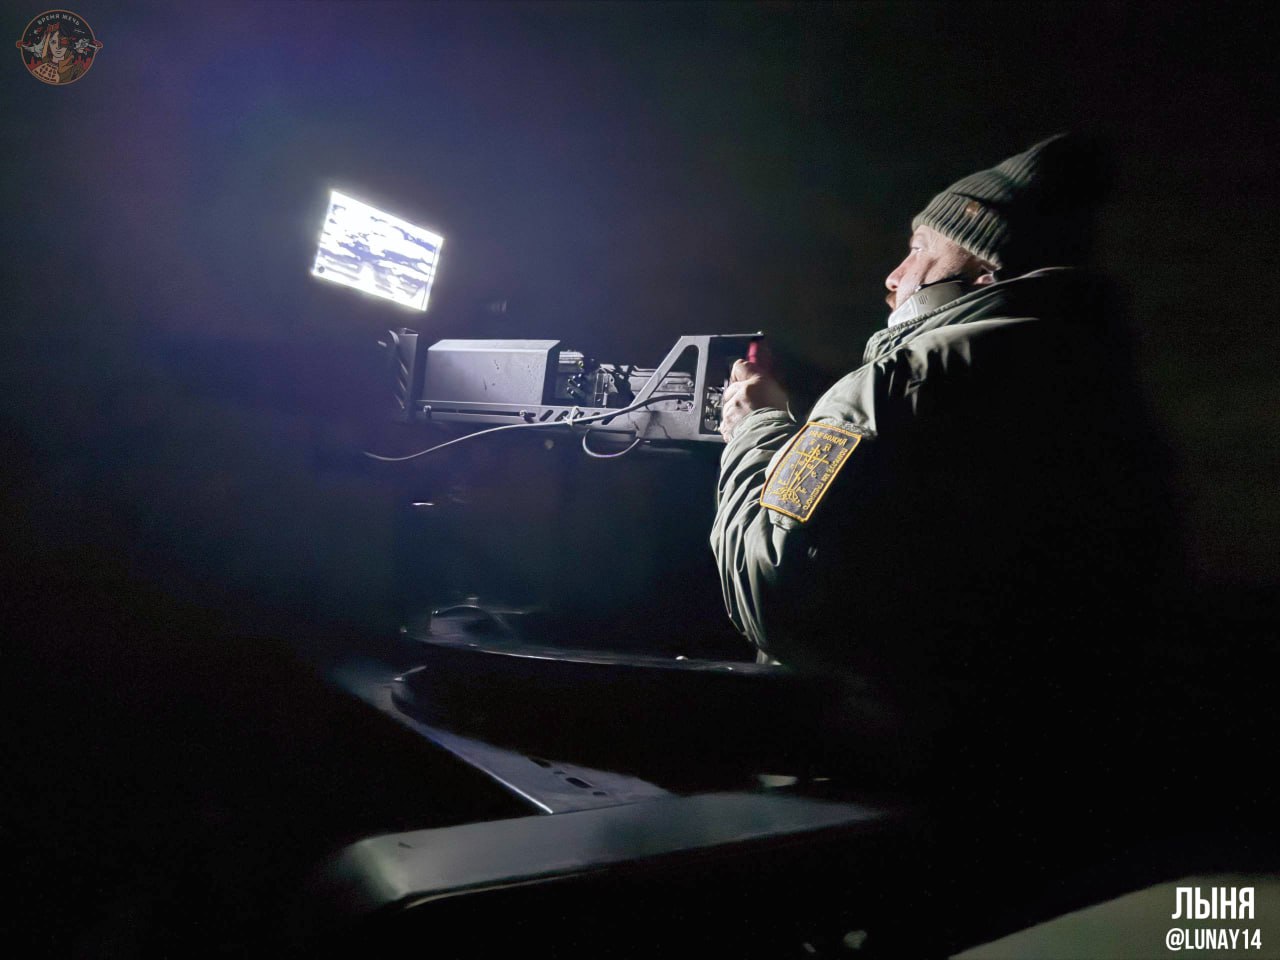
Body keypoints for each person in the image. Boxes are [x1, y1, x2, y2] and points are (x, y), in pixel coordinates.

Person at [710, 134, 1181, 785]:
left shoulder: (891, 387)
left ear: (986, 270)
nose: (894, 276)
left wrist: (756, 429)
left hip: (873, 777)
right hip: (1059, 777)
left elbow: (772, 589)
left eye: (919, 249)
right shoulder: (1110, 397)